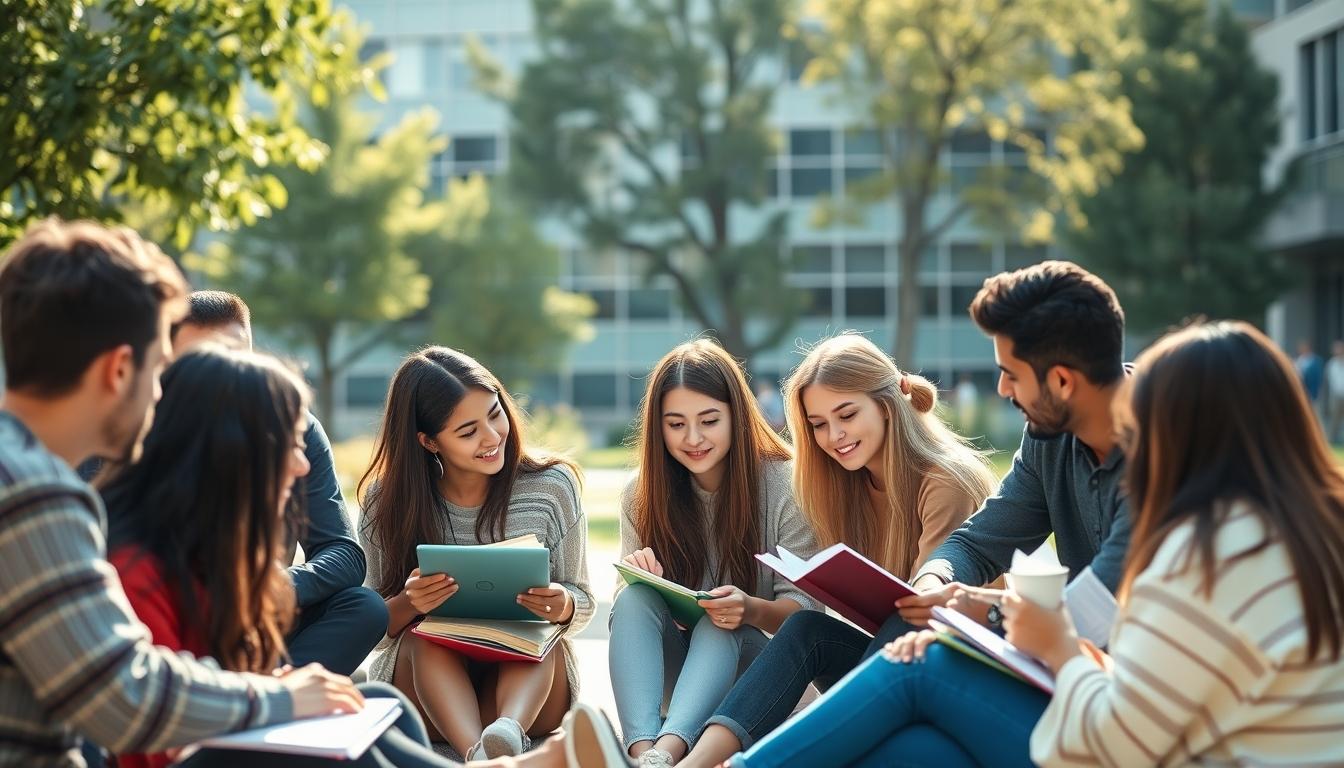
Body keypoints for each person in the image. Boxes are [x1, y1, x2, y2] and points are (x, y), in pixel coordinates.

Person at [716, 320, 1344, 767]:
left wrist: (1036, 635)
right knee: (917, 746)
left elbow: (1125, 736)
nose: (1000, 390)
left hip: (1135, 738)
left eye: (1151, 419)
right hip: (1158, 731)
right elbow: (988, 535)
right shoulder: (1293, 530)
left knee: (923, 668)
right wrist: (953, 593)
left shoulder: (1203, 550)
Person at [0, 219, 358, 768]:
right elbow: (125, 700)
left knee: (366, 706)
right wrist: (281, 697)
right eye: (164, 368)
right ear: (120, 369)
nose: (167, 390)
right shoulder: (32, 495)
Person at [675, 333, 997, 768]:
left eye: (847, 414)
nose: (834, 435)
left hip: (956, 671)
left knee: (909, 609)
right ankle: (691, 763)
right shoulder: (849, 486)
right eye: (819, 424)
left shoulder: (945, 481)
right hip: (889, 664)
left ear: (887, 405)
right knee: (807, 630)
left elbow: (929, 616)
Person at [359, 347, 594, 761]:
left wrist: (562, 604)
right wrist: (407, 604)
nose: (492, 436)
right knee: (423, 634)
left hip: (531, 692)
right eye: (468, 432)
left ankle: (506, 733)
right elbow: (368, 632)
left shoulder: (551, 488)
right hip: (430, 694)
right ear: (429, 441)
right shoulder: (386, 501)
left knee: (540, 634)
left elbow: (585, 602)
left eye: (495, 412)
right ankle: (477, 753)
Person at [610, 340, 820, 767]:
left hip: (755, 679)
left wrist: (750, 610)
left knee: (717, 623)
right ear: (658, 427)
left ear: (736, 417)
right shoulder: (640, 494)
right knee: (632, 599)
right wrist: (635, 576)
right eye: (675, 424)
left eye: (709, 420)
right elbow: (628, 617)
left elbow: (806, 613)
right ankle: (641, 753)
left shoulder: (785, 485)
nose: (693, 438)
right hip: (677, 687)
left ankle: (665, 755)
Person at [169, 290, 386, 676]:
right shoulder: (141, 432)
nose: (223, 374)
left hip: (259, 613)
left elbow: (344, 553)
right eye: (202, 361)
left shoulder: (294, 427)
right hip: (173, 618)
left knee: (363, 607)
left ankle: (264, 688)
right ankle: (260, 694)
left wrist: (274, 587)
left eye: (234, 356)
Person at [1296, 339, 1324, 411]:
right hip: (1301, 391)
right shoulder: (1299, 360)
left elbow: (1318, 378)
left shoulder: (1316, 361)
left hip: (1312, 392)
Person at [1327, 340, 1344, 444]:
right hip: (1336, 396)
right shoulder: (1332, 363)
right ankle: (1332, 440)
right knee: (1334, 420)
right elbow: (1331, 381)